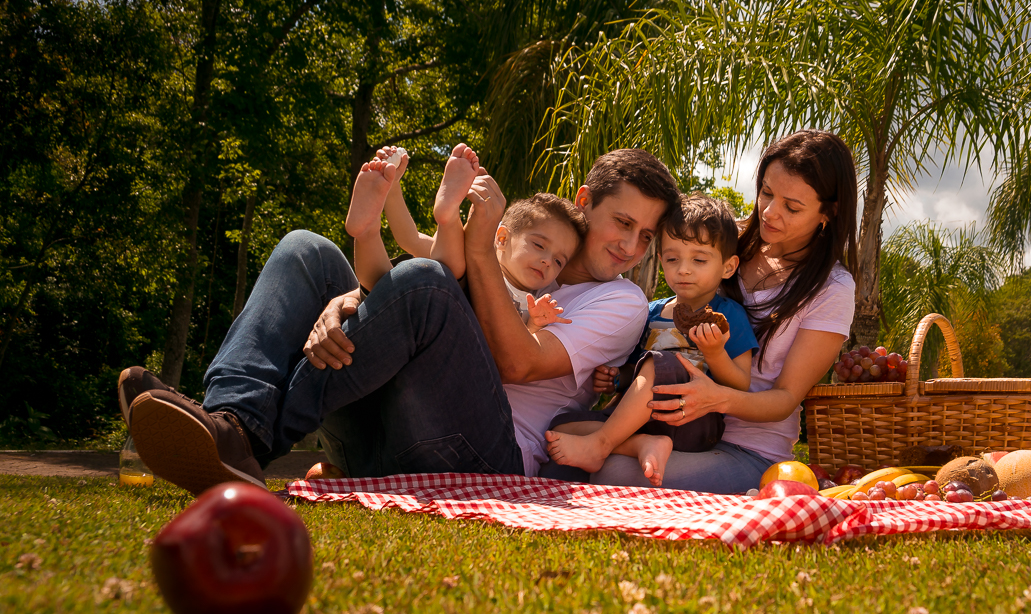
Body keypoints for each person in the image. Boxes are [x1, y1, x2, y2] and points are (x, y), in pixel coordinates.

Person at [119, 147, 679, 495]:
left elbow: (516, 361)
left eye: (645, 236)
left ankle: (250, 440)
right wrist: (348, 301)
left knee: (428, 284)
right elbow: (406, 294)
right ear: (584, 202)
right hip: (385, 431)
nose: (630, 247)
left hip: (485, 456)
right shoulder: (531, 249)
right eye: (621, 222)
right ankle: (233, 424)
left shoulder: (620, 301)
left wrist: (479, 246)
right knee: (305, 250)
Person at [545, 130, 859, 494]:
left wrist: (716, 397)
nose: (770, 212)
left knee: (616, 473)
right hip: (660, 420)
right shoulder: (720, 239)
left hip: (744, 449)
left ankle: (608, 446)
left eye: (792, 207)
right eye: (766, 192)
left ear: (828, 213)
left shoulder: (832, 288)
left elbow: (786, 399)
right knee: (558, 449)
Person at [542, 193, 757, 486]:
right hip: (638, 423)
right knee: (560, 426)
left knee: (662, 363)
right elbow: (636, 371)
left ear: (728, 267)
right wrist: (617, 378)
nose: (683, 269)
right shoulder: (651, 312)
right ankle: (638, 444)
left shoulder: (728, 315)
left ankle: (602, 444)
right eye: (672, 259)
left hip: (689, 420)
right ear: (661, 260)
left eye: (699, 260)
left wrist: (715, 353)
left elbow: (741, 384)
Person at [352, 144, 580, 332]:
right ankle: (439, 219)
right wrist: (392, 187)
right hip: (410, 307)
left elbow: (519, 351)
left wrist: (535, 324)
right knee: (445, 266)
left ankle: (367, 234)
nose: (547, 261)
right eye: (539, 245)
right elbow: (410, 239)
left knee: (444, 268)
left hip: (439, 331)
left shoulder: (537, 304)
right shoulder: (475, 257)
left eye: (559, 261)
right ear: (502, 239)